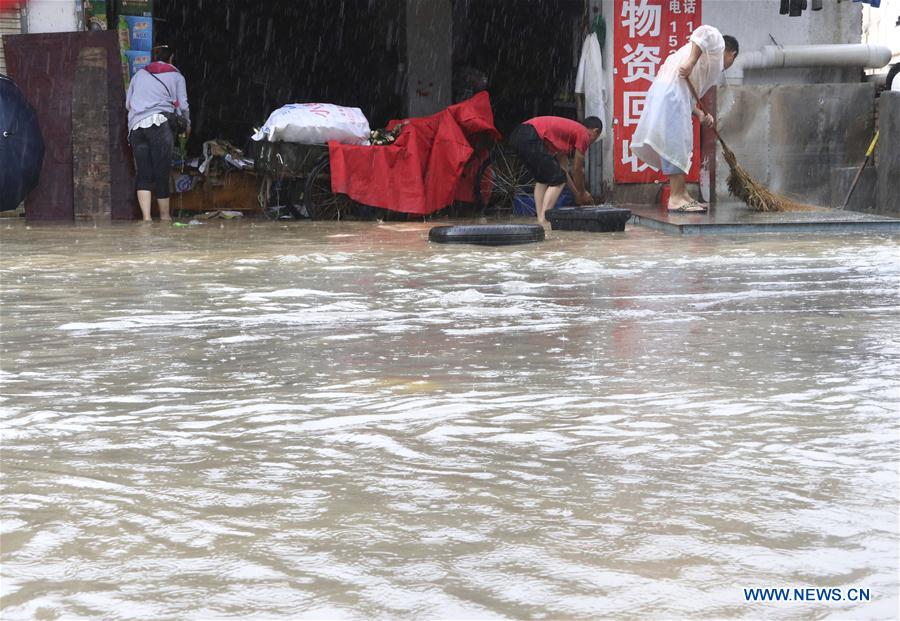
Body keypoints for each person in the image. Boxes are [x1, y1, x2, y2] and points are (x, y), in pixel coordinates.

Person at [631, 27, 739, 213]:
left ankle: (682, 194)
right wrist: (690, 62)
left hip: (672, 93)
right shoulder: (718, 46)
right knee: (676, 143)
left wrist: (700, 115)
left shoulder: (707, 62)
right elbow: (704, 32)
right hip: (671, 93)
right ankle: (675, 198)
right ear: (732, 53)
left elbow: (689, 98)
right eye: (732, 60)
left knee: (679, 143)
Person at [125, 45, 190, 221]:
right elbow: (183, 105)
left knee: (144, 174)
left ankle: (146, 219)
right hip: (159, 125)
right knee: (162, 172)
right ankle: (164, 218)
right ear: (171, 58)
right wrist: (187, 124)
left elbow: (128, 104)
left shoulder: (138, 75)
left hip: (136, 127)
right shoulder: (176, 76)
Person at [508, 116, 603, 223]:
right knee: (557, 179)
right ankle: (545, 218)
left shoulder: (568, 136)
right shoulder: (584, 134)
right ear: (595, 131)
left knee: (543, 179)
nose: (591, 142)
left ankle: (541, 220)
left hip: (517, 136)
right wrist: (582, 192)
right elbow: (577, 169)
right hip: (529, 134)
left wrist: (577, 194)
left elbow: (564, 171)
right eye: (595, 138)